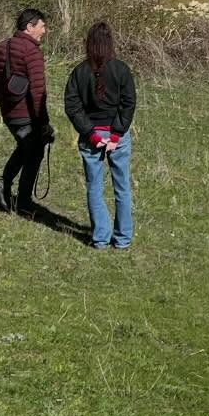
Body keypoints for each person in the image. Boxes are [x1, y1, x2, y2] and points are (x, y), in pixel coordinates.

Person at [64, 19, 137, 251]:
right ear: (110, 44)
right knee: (122, 186)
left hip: (91, 137)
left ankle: (100, 238)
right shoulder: (121, 70)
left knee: (94, 187)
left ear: (89, 44)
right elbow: (129, 103)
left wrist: (93, 135)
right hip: (117, 136)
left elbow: (73, 107)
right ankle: (123, 238)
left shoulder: (79, 72)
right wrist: (116, 135)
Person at [0, 6, 53, 215]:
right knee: (34, 153)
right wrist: (43, 123)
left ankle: (4, 189)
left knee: (25, 149)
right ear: (29, 26)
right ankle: (22, 201)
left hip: (9, 113)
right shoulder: (32, 52)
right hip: (26, 115)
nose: (44, 31)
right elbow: (37, 92)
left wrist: (5, 103)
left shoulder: (1, 47)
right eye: (42, 26)